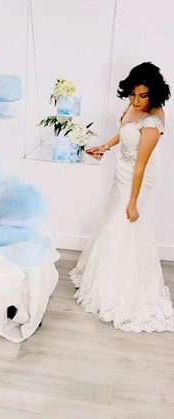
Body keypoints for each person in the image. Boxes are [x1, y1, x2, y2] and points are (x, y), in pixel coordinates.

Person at [69, 62, 174, 333]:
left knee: (126, 222)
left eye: (143, 96)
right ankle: (103, 277)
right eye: (133, 94)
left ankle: (123, 288)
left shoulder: (153, 120)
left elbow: (141, 165)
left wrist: (133, 202)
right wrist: (105, 146)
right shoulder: (133, 108)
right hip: (121, 172)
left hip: (137, 179)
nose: (137, 101)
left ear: (154, 94)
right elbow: (126, 131)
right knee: (113, 222)